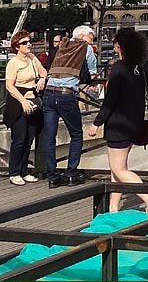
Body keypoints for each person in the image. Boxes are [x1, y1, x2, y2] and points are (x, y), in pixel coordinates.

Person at [87, 28, 148, 212]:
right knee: (117, 169)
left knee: (119, 169)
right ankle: (113, 208)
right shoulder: (138, 69)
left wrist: (96, 123)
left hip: (118, 124)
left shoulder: (118, 68)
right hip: (133, 123)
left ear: (119, 46)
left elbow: (110, 100)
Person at [43, 25, 97, 187]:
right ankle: (71, 173)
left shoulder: (63, 45)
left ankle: (52, 177)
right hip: (66, 95)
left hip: (49, 92)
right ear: (83, 36)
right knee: (76, 134)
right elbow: (93, 72)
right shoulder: (85, 48)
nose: (92, 42)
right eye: (91, 38)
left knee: (49, 137)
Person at [3, 30, 47, 185]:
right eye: (24, 43)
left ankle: (24, 170)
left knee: (29, 138)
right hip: (18, 101)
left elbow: (43, 71)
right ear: (16, 46)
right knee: (19, 138)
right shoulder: (13, 63)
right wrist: (22, 101)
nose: (29, 44)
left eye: (29, 42)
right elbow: (9, 85)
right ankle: (13, 172)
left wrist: (42, 79)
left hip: (33, 99)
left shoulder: (32, 58)